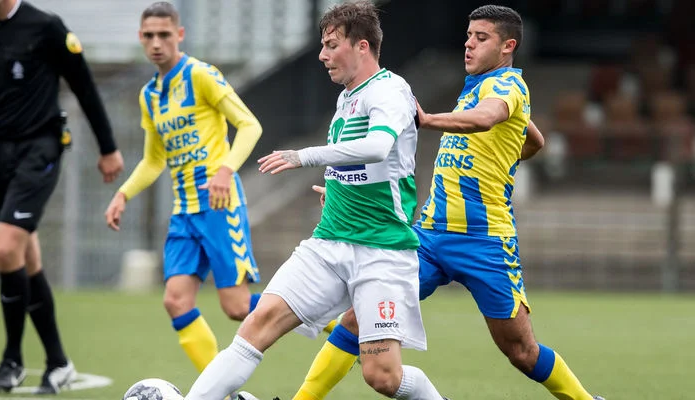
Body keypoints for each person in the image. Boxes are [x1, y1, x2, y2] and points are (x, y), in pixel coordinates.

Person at [288, 5, 606, 400]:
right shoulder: (476, 86)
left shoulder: (508, 86)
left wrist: (425, 119)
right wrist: (509, 151)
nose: (469, 44)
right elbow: (533, 139)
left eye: (481, 38)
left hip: (485, 241)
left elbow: (486, 118)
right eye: (468, 36)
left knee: (522, 352)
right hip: (430, 237)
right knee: (358, 319)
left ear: (508, 46)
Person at [183, 2, 450, 400]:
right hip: (328, 244)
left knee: (383, 377)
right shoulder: (346, 98)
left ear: (362, 46)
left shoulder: (390, 90)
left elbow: (377, 147)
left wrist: (302, 156)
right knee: (258, 323)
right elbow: (365, 168)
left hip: (382, 252)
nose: (322, 55)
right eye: (323, 45)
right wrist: (340, 190)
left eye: (331, 45)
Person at [0, 0, 124, 394]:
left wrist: (108, 147)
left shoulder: (45, 26)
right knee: (24, 256)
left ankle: (12, 360)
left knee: (4, 247)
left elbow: (83, 85)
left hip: (40, 148)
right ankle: (58, 362)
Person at [103, 1, 265, 377]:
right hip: (183, 212)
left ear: (179, 34)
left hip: (219, 203)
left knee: (236, 307)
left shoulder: (201, 75)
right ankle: (220, 391)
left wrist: (225, 171)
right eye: (149, 36)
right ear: (140, 38)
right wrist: (123, 194)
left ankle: (323, 317)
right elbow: (153, 160)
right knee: (176, 301)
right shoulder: (149, 95)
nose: (156, 43)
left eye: (164, 34)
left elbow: (250, 125)